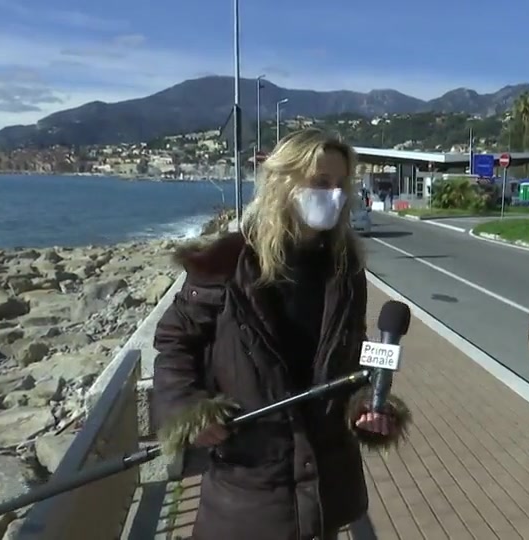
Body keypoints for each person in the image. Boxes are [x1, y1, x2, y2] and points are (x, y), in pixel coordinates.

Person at [152, 128, 409, 540]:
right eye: (321, 183)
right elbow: (175, 341)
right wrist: (187, 406)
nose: (334, 194)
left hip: (323, 492)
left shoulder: (346, 271)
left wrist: (368, 403)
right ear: (282, 181)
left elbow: (354, 356)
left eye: (341, 184)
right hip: (247, 492)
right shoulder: (225, 262)